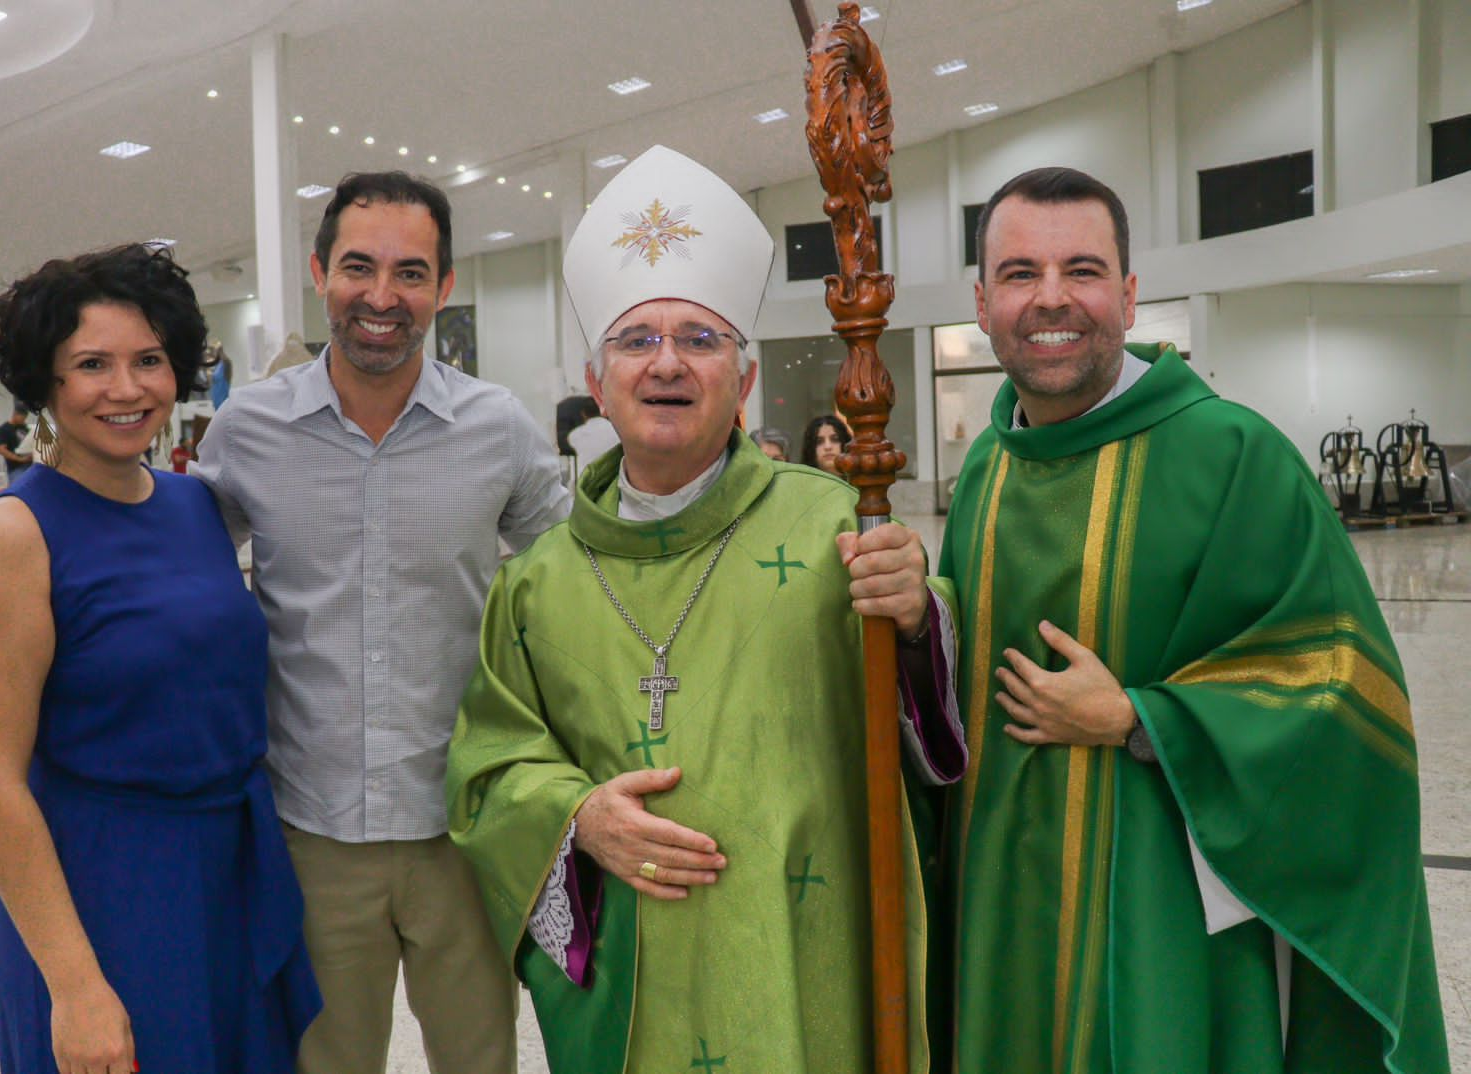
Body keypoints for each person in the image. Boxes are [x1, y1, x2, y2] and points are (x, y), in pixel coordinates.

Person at [446, 145, 967, 1074]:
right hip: (638, 977)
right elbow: (488, 770)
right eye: (637, 340)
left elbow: (926, 730)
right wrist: (576, 818)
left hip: (811, 947)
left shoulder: (837, 522)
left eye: (699, 337)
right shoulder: (539, 580)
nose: (667, 364)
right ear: (597, 384)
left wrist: (918, 620)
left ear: (746, 379)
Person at [931, 166, 1448, 1072]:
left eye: (1082, 270)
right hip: (999, 900)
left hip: (1161, 906)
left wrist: (1141, 720)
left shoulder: (1232, 454)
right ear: (982, 300)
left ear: (1129, 297)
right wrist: (910, 624)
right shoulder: (986, 469)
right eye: (1020, 274)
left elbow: (1343, 687)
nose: (1052, 299)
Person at [191, 171, 569, 1074]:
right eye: (359, 267)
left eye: (411, 273)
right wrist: (48, 545)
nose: (381, 296)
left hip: (465, 827)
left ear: (443, 288)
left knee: (480, 1060)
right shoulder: (248, 431)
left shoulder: (498, 428)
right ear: (321, 271)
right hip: (312, 832)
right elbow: (172, 555)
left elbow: (577, 573)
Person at [0, 244, 321, 1074]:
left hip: (228, 871)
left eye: (148, 360)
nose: (126, 388)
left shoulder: (195, 504)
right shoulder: (14, 533)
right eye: (92, 364)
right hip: (104, 888)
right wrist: (76, 986)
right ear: (46, 381)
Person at [0, 403, 34, 482]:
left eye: (25, 418)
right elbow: (2, 450)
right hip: (16, 468)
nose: (23, 420)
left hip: (30, 465)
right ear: (15, 414)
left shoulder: (25, 428)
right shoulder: (4, 429)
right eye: (22, 418)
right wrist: (20, 459)